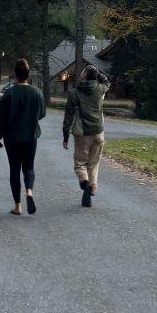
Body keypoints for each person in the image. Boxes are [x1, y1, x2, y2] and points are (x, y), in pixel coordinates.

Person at [0, 58, 45, 216]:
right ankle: (29, 191)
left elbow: (1, 118)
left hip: (12, 137)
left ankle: (18, 206)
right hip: (30, 136)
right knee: (29, 167)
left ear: (15, 74)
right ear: (28, 75)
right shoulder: (37, 93)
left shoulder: (9, 94)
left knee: (14, 169)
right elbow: (41, 114)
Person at [62, 65, 110, 208]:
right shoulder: (100, 89)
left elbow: (68, 116)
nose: (81, 72)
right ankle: (90, 189)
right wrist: (98, 72)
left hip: (82, 133)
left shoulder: (74, 93)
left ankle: (85, 183)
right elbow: (107, 82)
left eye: (83, 71)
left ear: (84, 76)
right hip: (98, 132)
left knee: (80, 164)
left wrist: (65, 136)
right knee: (93, 164)